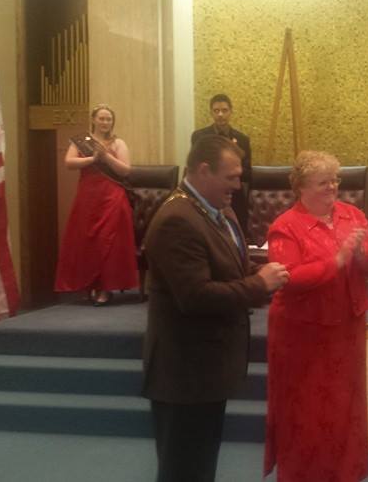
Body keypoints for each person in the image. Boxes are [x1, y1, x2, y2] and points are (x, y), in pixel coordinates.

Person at [141, 135, 289, 482]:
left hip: (207, 370)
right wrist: (260, 284)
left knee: (200, 467)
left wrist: (277, 274)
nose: (238, 185)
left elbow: (233, 269)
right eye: (231, 177)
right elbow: (196, 296)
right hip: (184, 374)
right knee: (183, 471)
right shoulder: (177, 219)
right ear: (204, 170)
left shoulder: (219, 212)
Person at [264, 150, 368, 482]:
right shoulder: (285, 226)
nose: (332, 187)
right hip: (303, 336)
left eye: (335, 180)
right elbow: (289, 278)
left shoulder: (352, 215)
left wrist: (361, 256)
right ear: (301, 187)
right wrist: (338, 260)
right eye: (323, 182)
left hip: (347, 331)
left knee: (345, 409)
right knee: (307, 413)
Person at [54, 104, 138, 305]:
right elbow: (69, 162)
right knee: (87, 241)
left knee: (107, 241)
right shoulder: (82, 141)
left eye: (109, 119)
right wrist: (93, 159)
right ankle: (90, 284)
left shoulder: (118, 143)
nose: (105, 122)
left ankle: (106, 288)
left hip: (112, 197)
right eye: (101, 118)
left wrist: (106, 157)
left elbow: (125, 170)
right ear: (93, 120)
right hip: (88, 197)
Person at [191, 93, 253, 239]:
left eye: (224, 110)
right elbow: (196, 168)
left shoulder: (242, 139)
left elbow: (248, 173)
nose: (220, 115)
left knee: (237, 236)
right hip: (207, 194)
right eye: (216, 110)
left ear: (231, 112)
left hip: (234, 196)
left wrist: (231, 167)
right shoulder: (199, 137)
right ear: (211, 113)